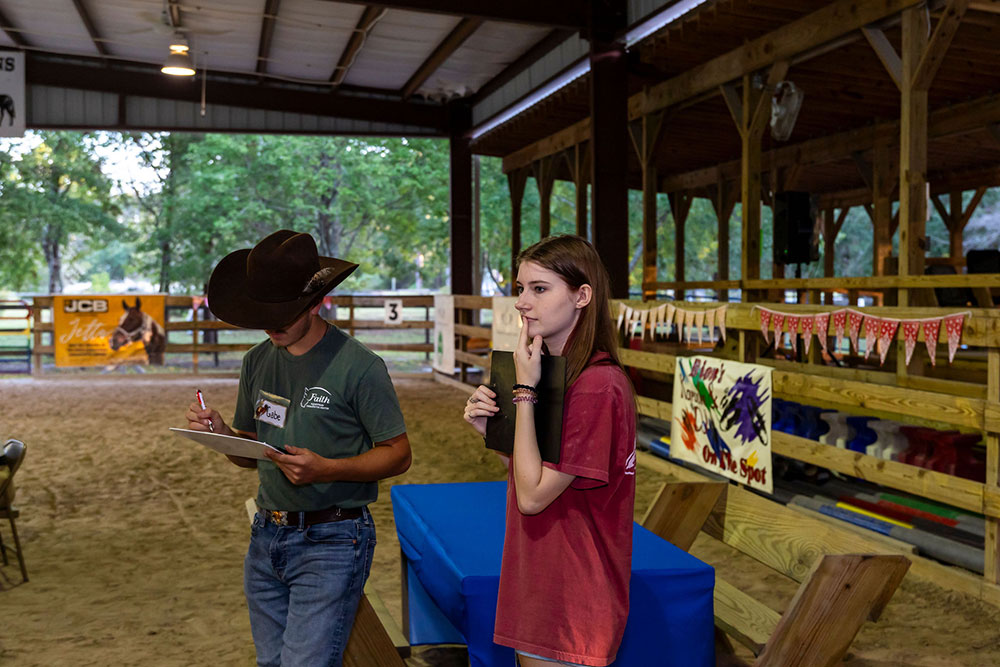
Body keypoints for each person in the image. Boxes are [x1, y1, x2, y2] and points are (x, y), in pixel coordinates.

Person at [184, 229, 411, 667]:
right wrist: (223, 432)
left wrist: (326, 469)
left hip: (334, 537)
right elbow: (252, 449)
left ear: (314, 302)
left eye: (283, 311)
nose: (272, 323)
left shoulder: (360, 367)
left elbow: (398, 453)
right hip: (267, 533)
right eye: (262, 311)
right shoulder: (256, 361)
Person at [463, 235, 637, 667]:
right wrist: (491, 431)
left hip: (574, 593)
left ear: (582, 296)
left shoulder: (597, 385)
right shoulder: (556, 373)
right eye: (520, 288)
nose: (523, 302)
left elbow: (533, 496)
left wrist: (523, 392)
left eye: (540, 289)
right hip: (542, 573)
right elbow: (533, 473)